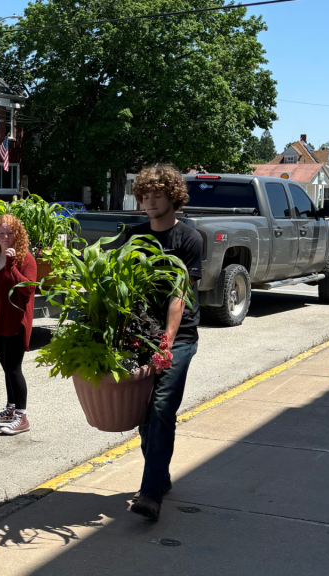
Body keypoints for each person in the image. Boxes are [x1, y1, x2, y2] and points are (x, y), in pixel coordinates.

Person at [124, 164, 202, 522]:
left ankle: (151, 494)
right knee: (143, 416)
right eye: (145, 195)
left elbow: (178, 292)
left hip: (178, 337)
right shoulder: (134, 236)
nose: (150, 201)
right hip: (141, 338)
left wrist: (167, 343)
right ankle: (161, 475)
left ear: (173, 197)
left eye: (157, 195)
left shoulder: (188, 239)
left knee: (161, 410)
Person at [0, 214, 36, 435]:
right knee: (6, 369)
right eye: (1, 233)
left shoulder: (26, 259)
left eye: (10, 232)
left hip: (15, 323)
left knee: (14, 370)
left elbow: (27, 290)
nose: (5, 236)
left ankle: (22, 416)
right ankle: (11, 408)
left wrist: (12, 265)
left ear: (18, 235)